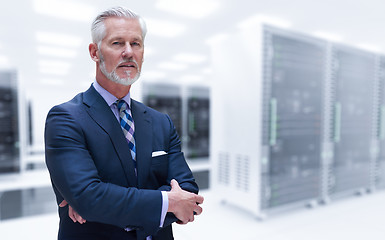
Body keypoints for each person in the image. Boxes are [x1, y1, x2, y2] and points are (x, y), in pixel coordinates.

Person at [44, 6, 204, 240]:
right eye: (117, 43)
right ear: (94, 52)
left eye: (136, 43)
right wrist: (167, 202)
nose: (128, 52)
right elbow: (89, 197)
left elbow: (187, 191)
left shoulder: (161, 122)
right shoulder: (66, 118)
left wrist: (103, 205)